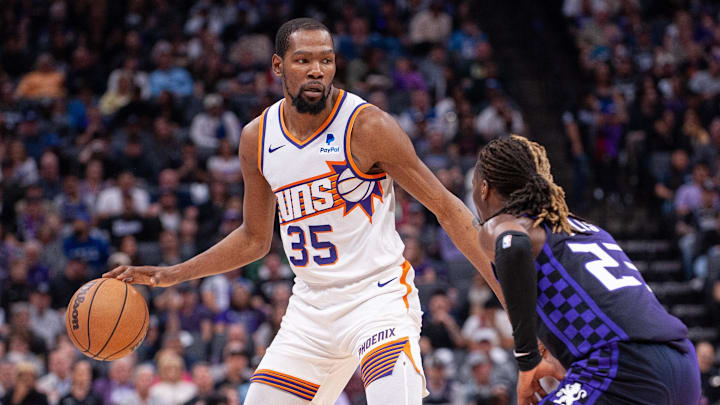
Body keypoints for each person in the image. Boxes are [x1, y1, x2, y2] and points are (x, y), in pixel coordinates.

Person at [104, 18, 506, 405]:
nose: (317, 70)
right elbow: (254, 239)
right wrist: (173, 274)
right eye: (303, 60)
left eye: (326, 60)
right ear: (278, 66)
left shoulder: (367, 127)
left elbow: (447, 209)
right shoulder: (256, 138)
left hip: (377, 300)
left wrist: (516, 308)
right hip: (310, 310)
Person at [471, 135, 701, 405]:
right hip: (682, 365)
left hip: (623, 366)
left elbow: (513, 246)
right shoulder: (582, 228)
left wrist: (527, 358)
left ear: (484, 188)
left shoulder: (507, 225)